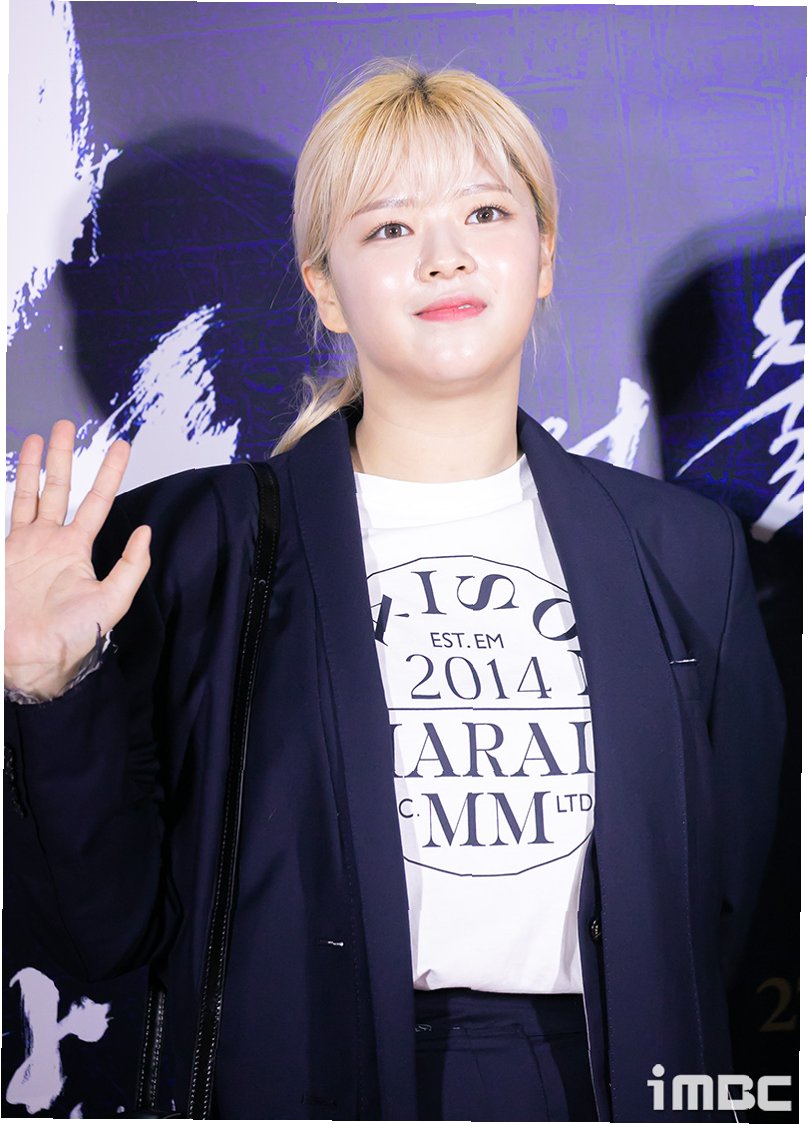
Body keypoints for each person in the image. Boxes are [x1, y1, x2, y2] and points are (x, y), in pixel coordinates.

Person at [5, 63, 785, 1122]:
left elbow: (728, 910)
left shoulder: (685, 552)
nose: (445, 255)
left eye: (486, 212)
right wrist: (50, 684)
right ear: (325, 286)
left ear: (544, 255)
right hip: (295, 1078)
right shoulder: (189, 547)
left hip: (601, 1085)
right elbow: (104, 929)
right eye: (389, 228)